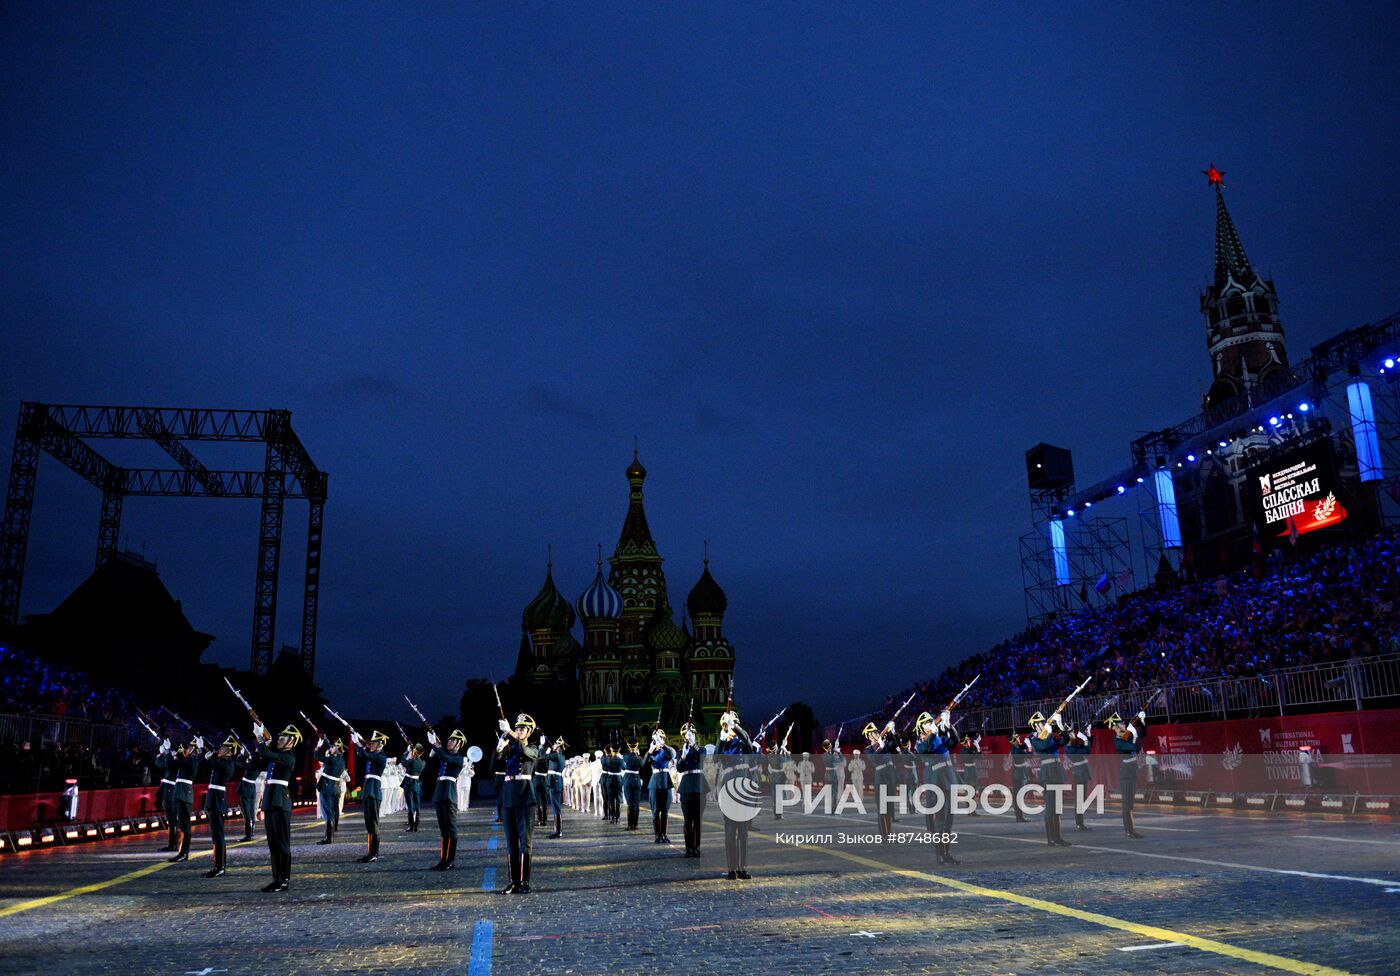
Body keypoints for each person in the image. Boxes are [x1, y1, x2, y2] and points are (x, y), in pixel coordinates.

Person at [253, 722, 301, 893]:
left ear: (291, 742)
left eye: (283, 738)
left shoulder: (289, 757)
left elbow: (266, 752)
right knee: (273, 844)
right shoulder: (277, 756)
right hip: (270, 801)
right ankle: (276, 879)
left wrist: (260, 738)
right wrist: (261, 743)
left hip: (280, 802)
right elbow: (259, 759)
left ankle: (284, 880)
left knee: (282, 843)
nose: (280, 740)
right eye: (280, 737)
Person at [496, 713, 540, 893]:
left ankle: (524, 882)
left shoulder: (533, 748)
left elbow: (525, 751)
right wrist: (499, 748)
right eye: (516, 728)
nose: (518, 731)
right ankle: (513, 881)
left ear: (529, 732)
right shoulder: (510, 749)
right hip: (508, 797)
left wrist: (511, 735)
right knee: (510, 840)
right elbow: (494, 767)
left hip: (524, 797)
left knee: (525, 841)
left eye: (522, 729)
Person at [913, 710, 961, 866]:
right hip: (936, 783)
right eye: (927, 723)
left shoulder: (939, 739)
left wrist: (948, 726)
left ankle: (947, 853)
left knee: (949, 822)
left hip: (949, 779)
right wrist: (933, 732)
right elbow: (925, 749)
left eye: (931, 722)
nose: (931, 724)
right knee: (940, 821)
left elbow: (955, 741)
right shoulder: (920, 743)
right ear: (922, 728)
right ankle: (939, 855)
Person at [717, 709, 755, 879]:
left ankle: (743, 868)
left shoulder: (743, 742)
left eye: (731, 723)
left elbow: (748, 745)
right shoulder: (723, 744)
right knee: (730, 834)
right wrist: (721, 739)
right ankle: (731, 868)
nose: (729, 727)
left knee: (744, 834)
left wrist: (736, 727)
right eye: (726, 724)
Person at [426, 728, 468, 870]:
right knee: (443, 829)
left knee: (451, 827)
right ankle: (443, 860)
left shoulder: (459, 758)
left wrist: (436, 746)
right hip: (440, 791)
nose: (449, 742)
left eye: (452, 740)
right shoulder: (444, 755)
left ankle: (450, 860)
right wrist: (433, 749)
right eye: (449, 739)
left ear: (459, 744)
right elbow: (430, 766)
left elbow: (446, 757)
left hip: (449, 793)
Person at [1029, 711, 1071, 847]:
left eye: (1043, 723)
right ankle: (1050, 838)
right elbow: (1044, 746)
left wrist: (1062, 728)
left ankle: (1058, 837)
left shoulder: (1048, 736)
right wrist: (1049, 731)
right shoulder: (1035, 739)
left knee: (1057, 807)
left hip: (1057, 772)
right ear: (1035, 727)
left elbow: (1064, 741)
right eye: (1040, 724)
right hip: (1047, 775)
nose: (1042, 725)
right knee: (1050, 808)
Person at [352, 730, 391, 863]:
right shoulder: (373, 754)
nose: (371, 745)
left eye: (374, 743)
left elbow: (365, 754)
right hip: (369, 789)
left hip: (374, 790)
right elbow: (365, 753)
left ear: (380, 744)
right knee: (369, 824)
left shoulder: (381, 757)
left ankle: (374, 853)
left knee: (373, 824)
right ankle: (370, 853)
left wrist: (357, 743)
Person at [200, 736, 237, 877]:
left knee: (218, 835)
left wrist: (204, 751)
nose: (219, 750)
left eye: (223, 748)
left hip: (217, 800)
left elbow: (210, 764)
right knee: (216, 835)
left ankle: (220, 867)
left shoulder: (227, 763)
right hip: (213, 799)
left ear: (230, 752)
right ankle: (218, 866)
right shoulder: (222, 762)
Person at [1111, 710, 1148, 839]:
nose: (1123, 725)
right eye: (1120, 724)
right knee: (1127, 803)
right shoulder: (1118, 741)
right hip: (1126, 772)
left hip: (1132, 770)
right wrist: (1135, 734)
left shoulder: (1126, 736)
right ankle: (1128, 831)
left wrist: (1142, 722)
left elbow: (1143, 735)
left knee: (1130, 803)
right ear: (1115, 728)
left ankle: (1131, 830)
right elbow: (1134, 747)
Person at [166, 736, 202, 863]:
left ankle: (184, 852)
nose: (186, 750)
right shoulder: (188, 760)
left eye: (189, 749)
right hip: (181, 793)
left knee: (185, 824)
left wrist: (170, 751)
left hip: (184, 794)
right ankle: (182, 851)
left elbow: (175, 762)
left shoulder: (192, 761)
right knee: (182, 823)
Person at [676, 722, 707, 858]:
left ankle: (697, 847)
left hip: (700, 785)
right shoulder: (681, 751)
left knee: (698, 820)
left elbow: (703, 759)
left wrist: (694, 744)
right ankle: (688, 847)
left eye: (691, 734)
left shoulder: (701, 749)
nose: (689, 737)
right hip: (687, 786)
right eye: (687, 736)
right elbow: (679, 768)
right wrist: (683, 756)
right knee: (688, 820)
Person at [863, 721, 899, 837]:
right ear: (869, 736)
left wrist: (893, 732)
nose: (877, 733)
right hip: (881, 777)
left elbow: (896, 745)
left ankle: (889, 834)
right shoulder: (868, 749)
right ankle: (884, 835)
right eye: (874, 732)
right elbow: (874, 760)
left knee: (889, 807)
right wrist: (880, 747)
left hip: (890, 775)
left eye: (877, 731)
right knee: (882, 809)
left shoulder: (885, 742)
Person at [645, 726, 676, 844]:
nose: (657, 741)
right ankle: (657, 835)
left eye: (659, 739)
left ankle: (664, 834)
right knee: (655, 811)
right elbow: (644, 763)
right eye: (655, 739)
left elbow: (672, 755)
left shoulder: (666, 751)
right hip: (654, 782)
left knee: (665, 811)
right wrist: (649, 751)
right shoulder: (652, 752)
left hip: (666, 781)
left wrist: (662, 744)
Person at [314, 737, 346, 845]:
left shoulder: (332, 759)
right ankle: (330, 835)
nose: (332, 748)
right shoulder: (341, 761)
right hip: (335, 788)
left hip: (327, 787)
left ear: (337, 750)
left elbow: (316, 756)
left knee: (327, 813)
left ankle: (328, 838)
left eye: (334, 747)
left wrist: (318, 746)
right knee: (332, 812)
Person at [1065, 722, 1093, 831]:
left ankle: (1080, 823)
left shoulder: (1075, 744)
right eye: (1071, 734)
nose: (1074, 735)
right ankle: (1079, 823)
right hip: (1079, 773)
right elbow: (1085, 750)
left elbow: (1089, 749)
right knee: (1080, 799)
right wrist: (1085, 739)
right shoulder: (1070, 748)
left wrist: (1088, 734)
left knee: (1082, 798)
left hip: (1083, 771)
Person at [235, 743, 259, 842]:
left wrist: (241, 754)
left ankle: (248, 835)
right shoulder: (259, 760)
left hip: (246, 787)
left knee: (247, 812)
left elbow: (239, 763)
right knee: (251, 811)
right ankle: (251, 833)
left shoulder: (255, 761)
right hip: (251, 786)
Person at [400, 742, 426, 832]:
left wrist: (407, 751)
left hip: (409, 783)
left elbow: (403, 761)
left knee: (410, 805)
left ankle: (411, 826)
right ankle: (416, 825)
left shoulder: (411, 761)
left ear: (414, 752)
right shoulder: (423, 763)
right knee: (417, 804)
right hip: (417, 783)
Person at [545, 736, 567, 837]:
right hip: (555, 782)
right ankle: (557, 831)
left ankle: (558, 831)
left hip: (554, 782)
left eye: (555, 745)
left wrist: (543, 747)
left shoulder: (557, 756)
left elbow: (543, 756)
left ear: (558, 747)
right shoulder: (560, 756)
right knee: (555, 807)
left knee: (556, 807)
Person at [1009, 731, 1032, 823]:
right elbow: (1029, 755)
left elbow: (1023, 747)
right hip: (1020, 773)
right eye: (1017, 738)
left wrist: (1029, 739)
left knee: (1020, 794)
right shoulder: (1016, 749)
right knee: (1019, 795)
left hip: (1021, 772)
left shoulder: (1016, 747)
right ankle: (1019, 817)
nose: (1019, 739)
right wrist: (1029, 746)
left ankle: (1019, 815)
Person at [620, 738, 643, 830]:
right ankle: (635, 825)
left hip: (628, 779)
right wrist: (638, 755)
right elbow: (643, 766)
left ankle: (630, 825)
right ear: (637, 746)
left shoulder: (626, 756)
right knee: (636, 803)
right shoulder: (639, 758)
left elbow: (623, 766)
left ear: (628, 746)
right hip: (637, 779)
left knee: (630, 803)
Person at [958, 731, 982, 813]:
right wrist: (977, 746)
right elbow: (978, 756)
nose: (969, 741)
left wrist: (976, 743)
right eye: (968, 740)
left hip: (971, 771)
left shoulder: (967, 749)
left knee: (972, 791)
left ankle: (971, 810)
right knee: (971, 791)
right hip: (970, 772)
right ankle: (971, 810)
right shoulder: (965, 751)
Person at [600, 744, 623, 823]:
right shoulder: (620, 760)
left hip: (609, 781)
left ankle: (613, 817)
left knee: (611, 800)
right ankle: (618, 817)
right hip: (618, 781)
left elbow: (603, 759)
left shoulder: (605, 759)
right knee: (618, 800)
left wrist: (607, 753)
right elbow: (624, 767)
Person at [533, 735, 552, 827]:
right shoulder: (547, 758)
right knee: (544, 802)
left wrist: (541, 745)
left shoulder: (537, 758)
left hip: (537, 780)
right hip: (544, 780)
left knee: (538, 802)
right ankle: (544, 820)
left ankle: (540, 820)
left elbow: (540, 754)